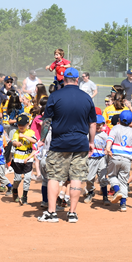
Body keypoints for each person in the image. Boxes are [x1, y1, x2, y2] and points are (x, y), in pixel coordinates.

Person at [38, 68, 97, 224]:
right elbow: (92, 123)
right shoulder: (87, 98)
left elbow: (47, 121)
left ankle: (51, 213)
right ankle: (72, 213)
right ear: (77, 80)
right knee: (77, 177)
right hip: (80, 143)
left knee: (54, 177)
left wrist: (42, 139)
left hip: (59, 143)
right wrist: (91, 142)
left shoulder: (55, 96)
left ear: (64, 79)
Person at [105, 110, 132, 213]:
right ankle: (123, 204)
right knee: (124, 181)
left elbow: (110, 139)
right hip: (127, 159)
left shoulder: (115, 128)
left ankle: (117, 190)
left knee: (112, 176)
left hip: (115, 157)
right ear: (131, 123)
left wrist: (107, 148)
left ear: (119, 120)